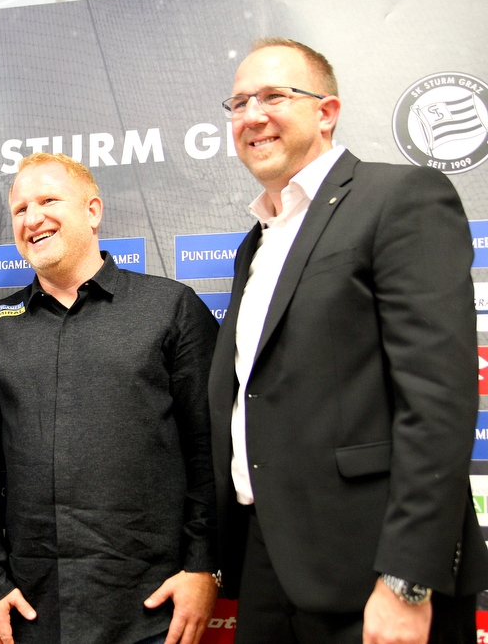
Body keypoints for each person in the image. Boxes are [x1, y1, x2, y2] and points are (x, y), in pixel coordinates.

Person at [209, 37, 488, 644]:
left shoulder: (400, 199)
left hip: (372, 577)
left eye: (273, 96)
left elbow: (438, 404)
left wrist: (407, 582)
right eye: (238, 103)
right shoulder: (255, 244)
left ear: (326, 111)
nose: (251, 115)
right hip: (269, 566)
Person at [0, 152, 220, 644]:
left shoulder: (170, 309)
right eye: (20, 209)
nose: (33, 219)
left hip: (154, 612)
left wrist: (204, 567)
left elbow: (210, 454)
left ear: (92, 211)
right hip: (30, 613)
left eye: (48, 200)